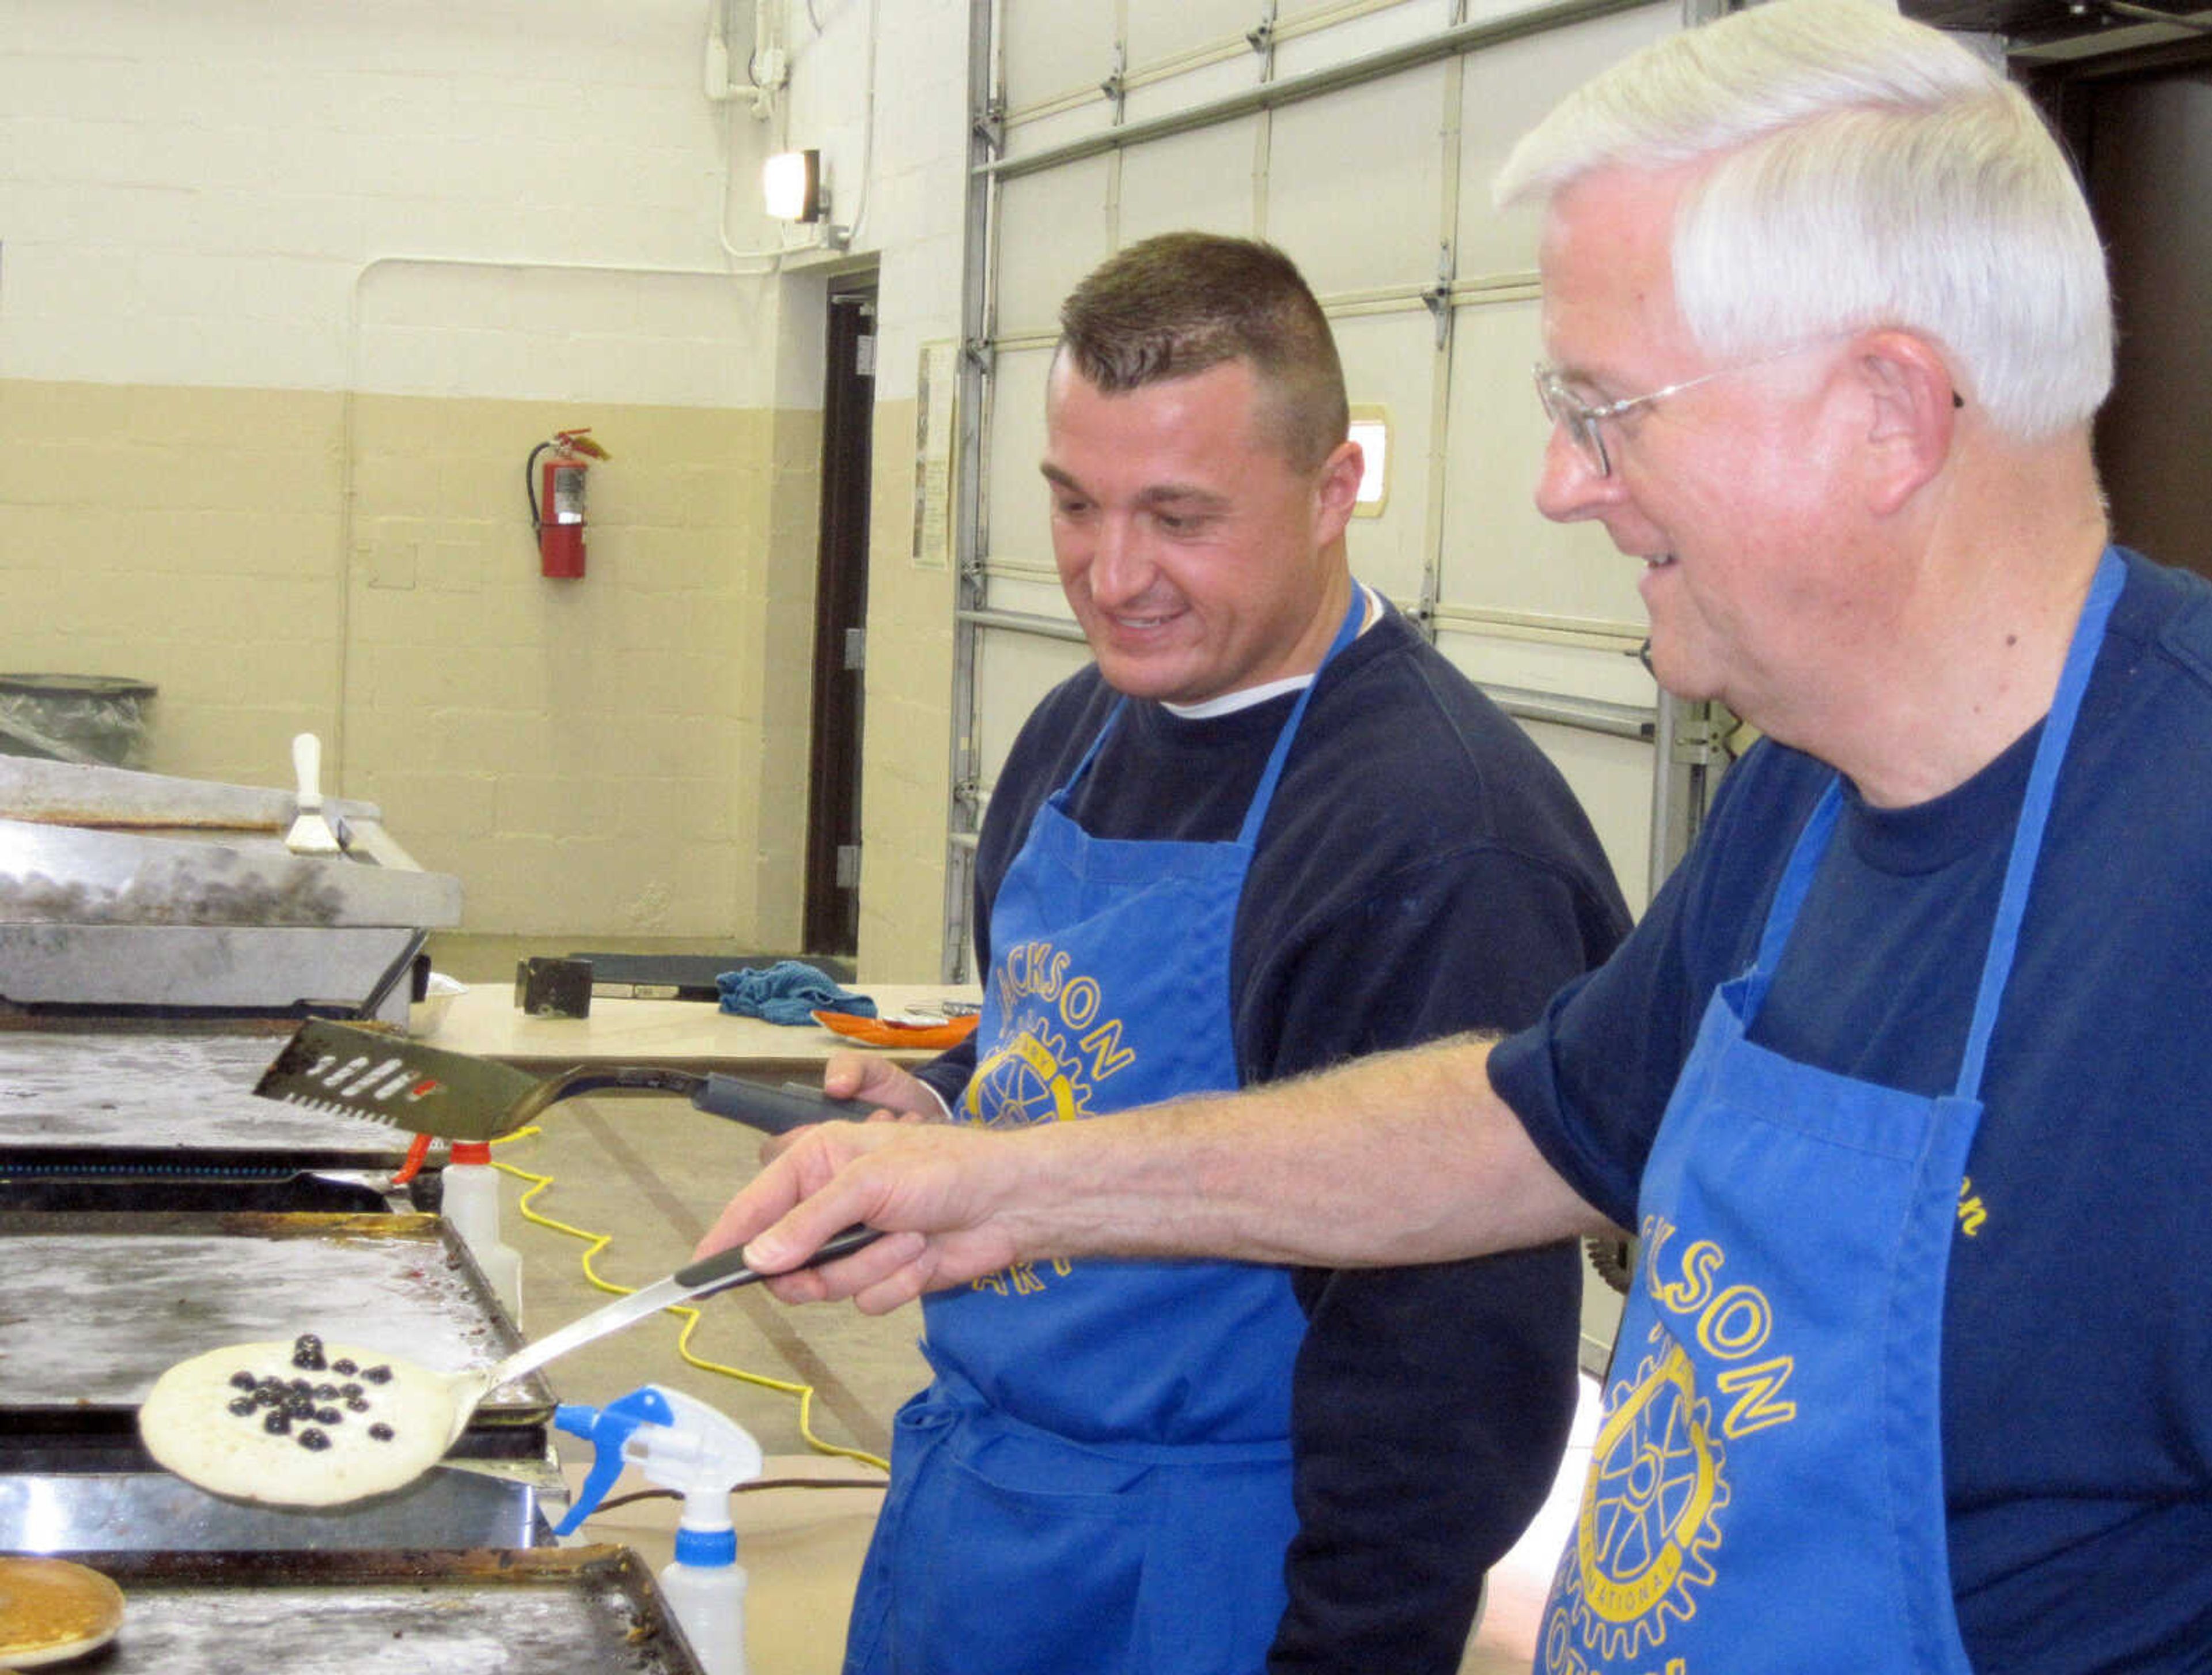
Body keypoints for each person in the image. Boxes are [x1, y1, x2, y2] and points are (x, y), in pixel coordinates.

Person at [708, 2, 2212, 1669]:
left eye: (1609, 407)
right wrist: (1003, 1182)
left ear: (1886, 414)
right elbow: (1528, 1124)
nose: (1563, 484)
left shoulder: (2176, 870)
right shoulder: (1802, 792)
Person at [810, 232, 1631, 1675]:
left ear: (1334, 491)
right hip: (986, 1515)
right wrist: (944, 1107)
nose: (1111, 574)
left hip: (1218, 1576)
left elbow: (1451, 1380)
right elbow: (1058, 1038)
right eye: (1076, 504)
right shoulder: (1082, 728)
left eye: (1179, 517)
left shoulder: (1436, 834)